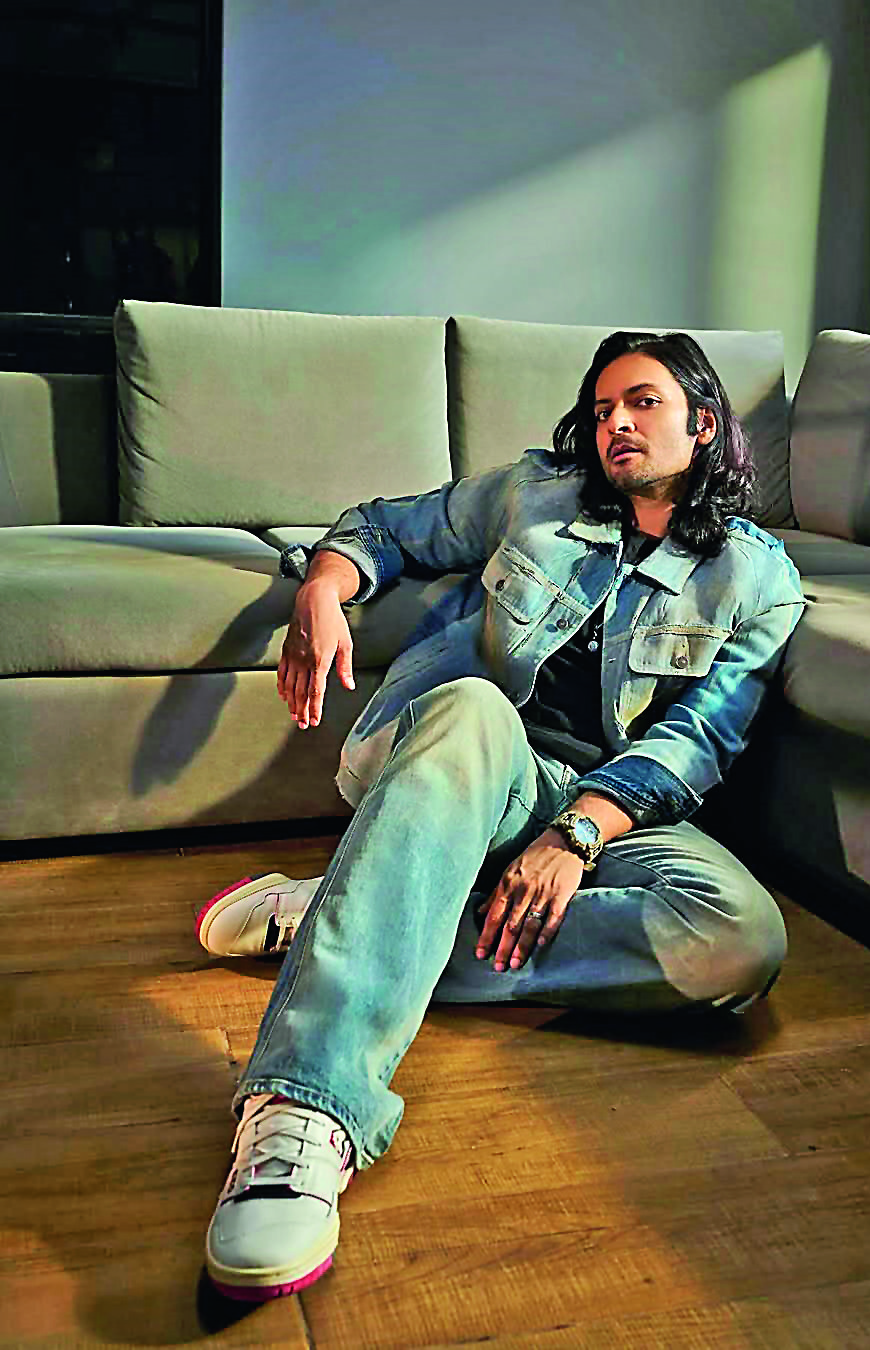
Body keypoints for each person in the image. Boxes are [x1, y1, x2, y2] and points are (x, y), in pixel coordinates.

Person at [198, 331, 806, 1301]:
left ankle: (352, 914)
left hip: (611, 805)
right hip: (476, 758)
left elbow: (702, 736)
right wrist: (321, 588)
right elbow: (388, 527)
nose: (615, 423)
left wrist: (581, 832)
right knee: (479, 704)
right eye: (602, 408)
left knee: (739, 941)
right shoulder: (536, 493)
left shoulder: (759, 576)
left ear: (703, 422)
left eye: (642, 402)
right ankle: (305, 1109)